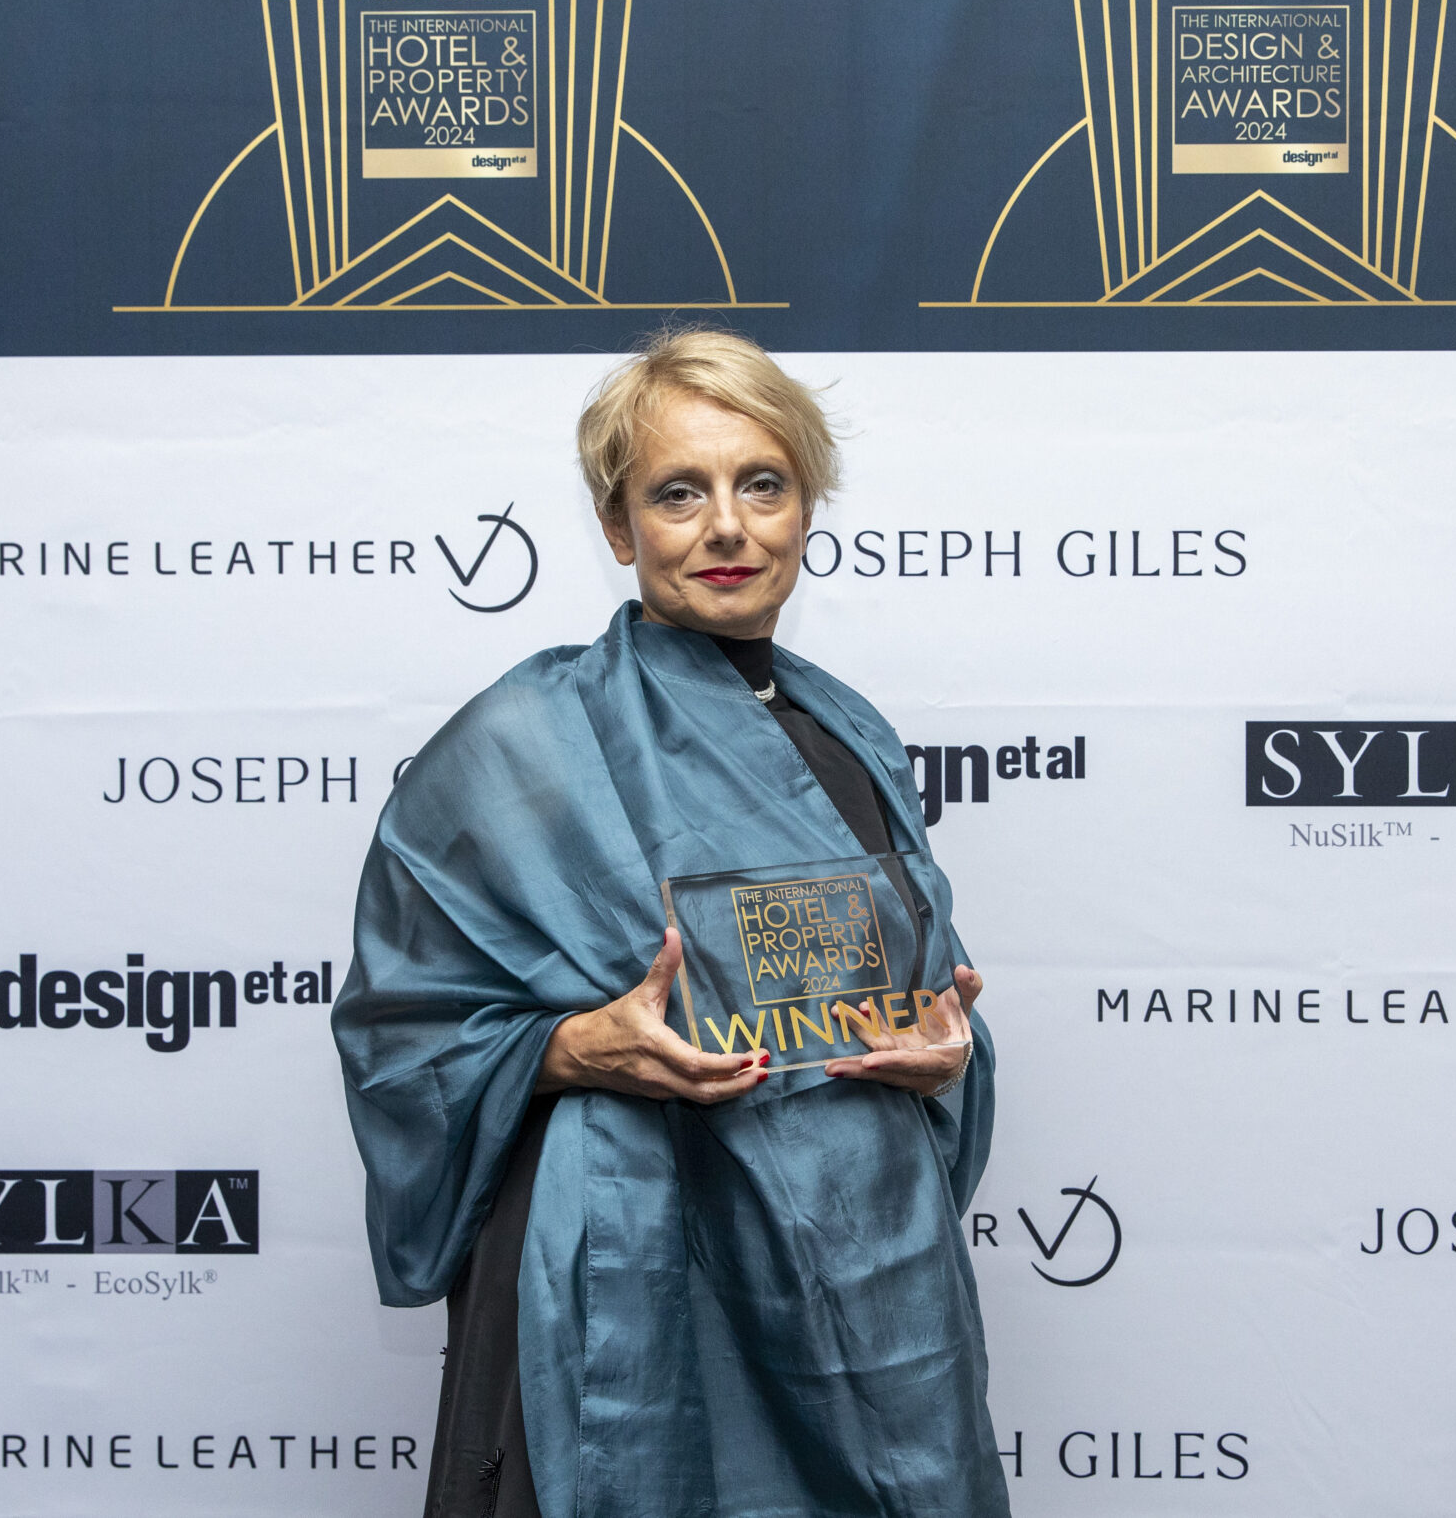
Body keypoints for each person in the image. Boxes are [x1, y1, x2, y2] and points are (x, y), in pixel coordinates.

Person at [334, 329, 1004, 1518]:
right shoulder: (529, 737)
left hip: (867, 1282)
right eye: (678, 493)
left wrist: (948, 1052)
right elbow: (401, 1034)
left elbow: (914, 984)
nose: (727, 527)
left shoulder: (852, 732)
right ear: (617, 527)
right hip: (633, 1263)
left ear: (806, 509)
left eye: (763, 484)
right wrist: (569, 1047)